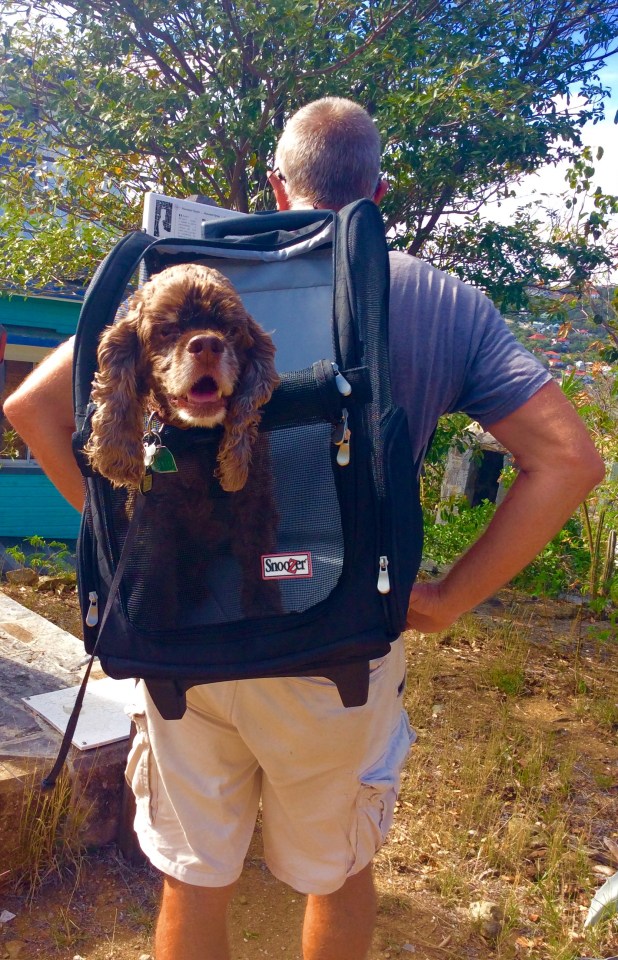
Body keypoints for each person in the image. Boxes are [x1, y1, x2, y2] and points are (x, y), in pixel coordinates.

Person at [4, 97, 604, 960]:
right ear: (380, 194)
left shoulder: (188, 280)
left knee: (193, 873)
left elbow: (31, 408)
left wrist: (136, 537)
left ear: (278, 189)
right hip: (339, 647)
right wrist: (444, 602)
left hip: (185, 640)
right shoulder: (439, 297)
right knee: (335, 873)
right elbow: (570, 462)